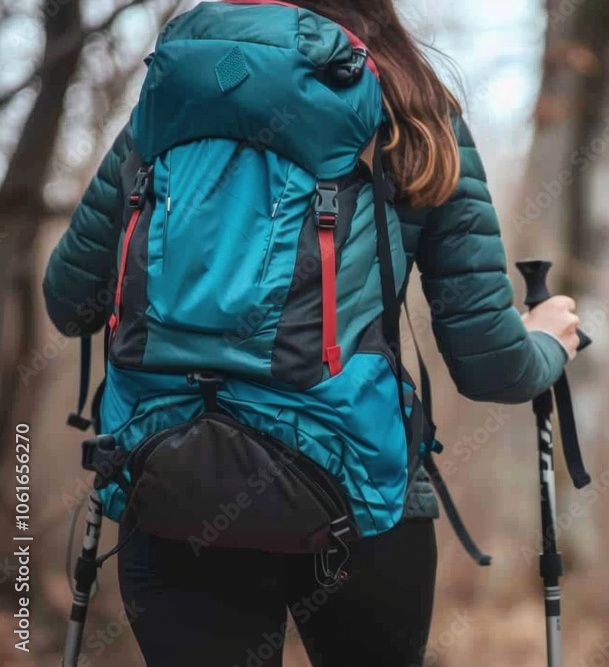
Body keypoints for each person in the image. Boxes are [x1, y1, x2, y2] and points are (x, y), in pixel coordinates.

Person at [43, 0, 580, 665]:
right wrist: (550, 339)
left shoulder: (167, 104)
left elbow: (70, 301)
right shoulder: (410, 109)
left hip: (169, 485)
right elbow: (488, 362)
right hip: (357, 493)